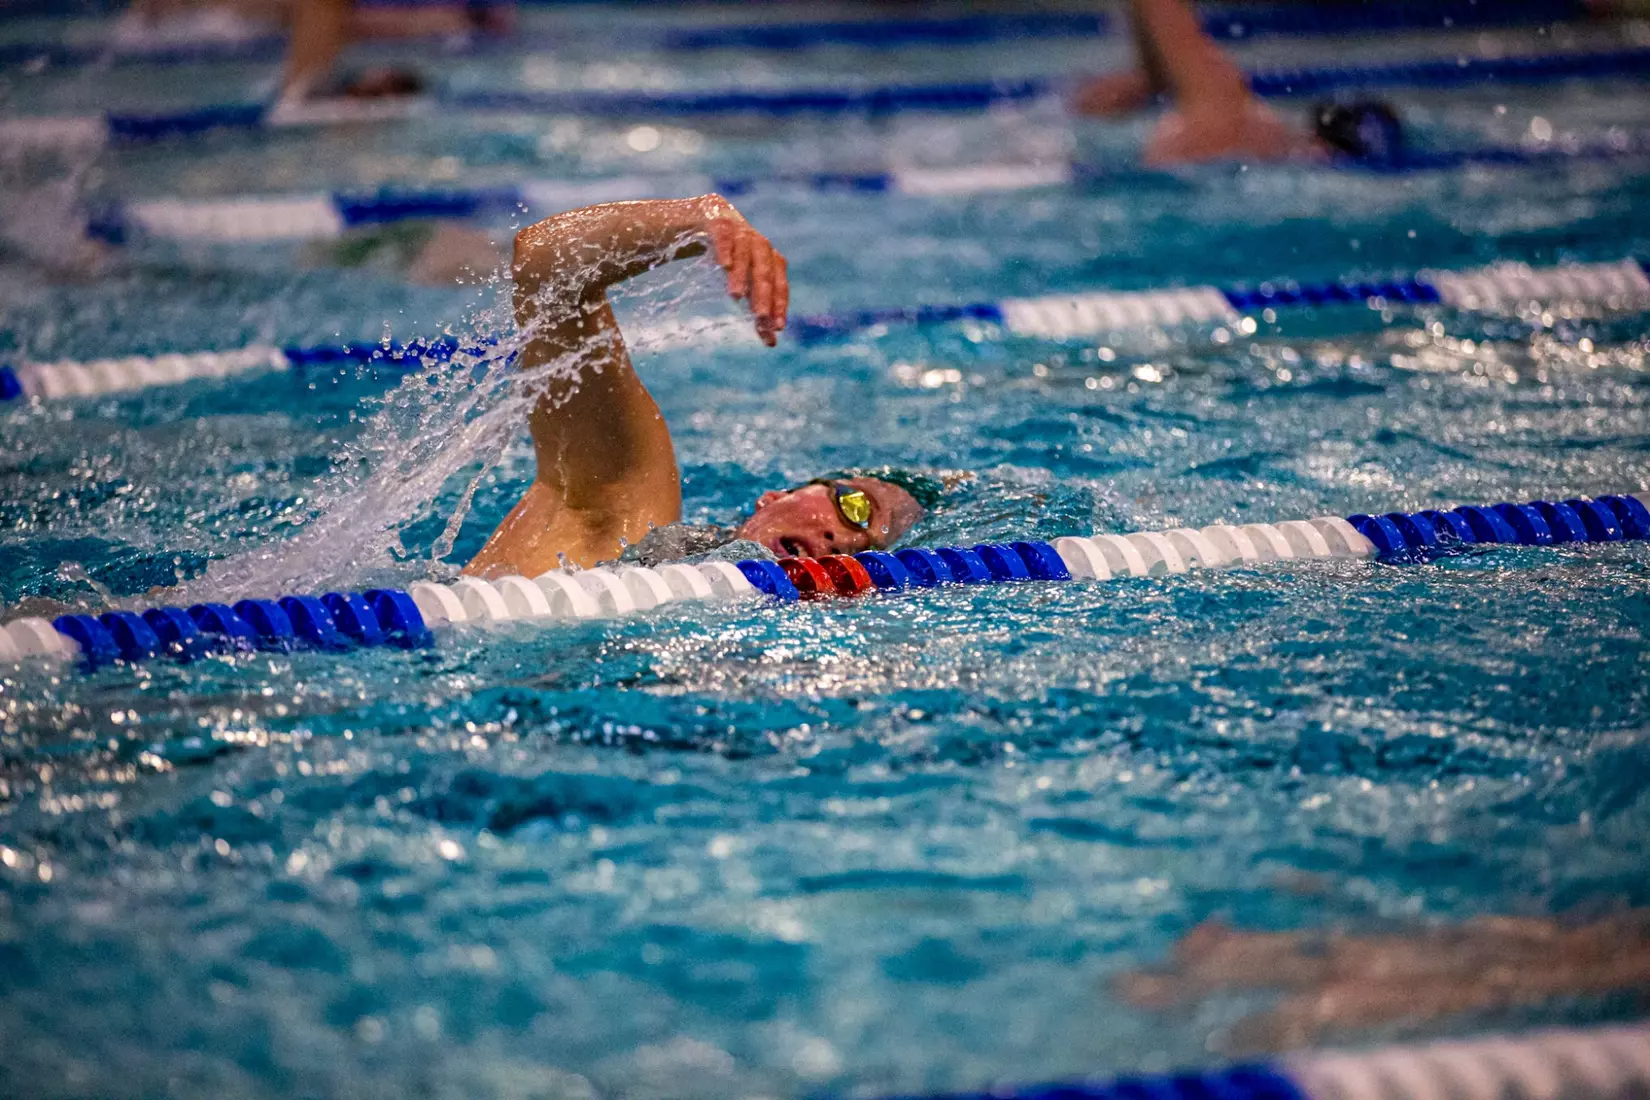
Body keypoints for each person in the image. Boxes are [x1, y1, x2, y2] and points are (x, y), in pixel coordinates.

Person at [462, 195, 926, 577]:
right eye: (855, 507)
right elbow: (547, 264)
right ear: (774, 497)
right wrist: (703, 217)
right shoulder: (618, 520)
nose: (843, 540)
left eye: (866, 551)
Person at [1072, 0, 1403, 167]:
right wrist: (1154, 80)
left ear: (1319, 139)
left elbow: (1167, 17)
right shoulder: (1254, 146)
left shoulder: (1232, 118)